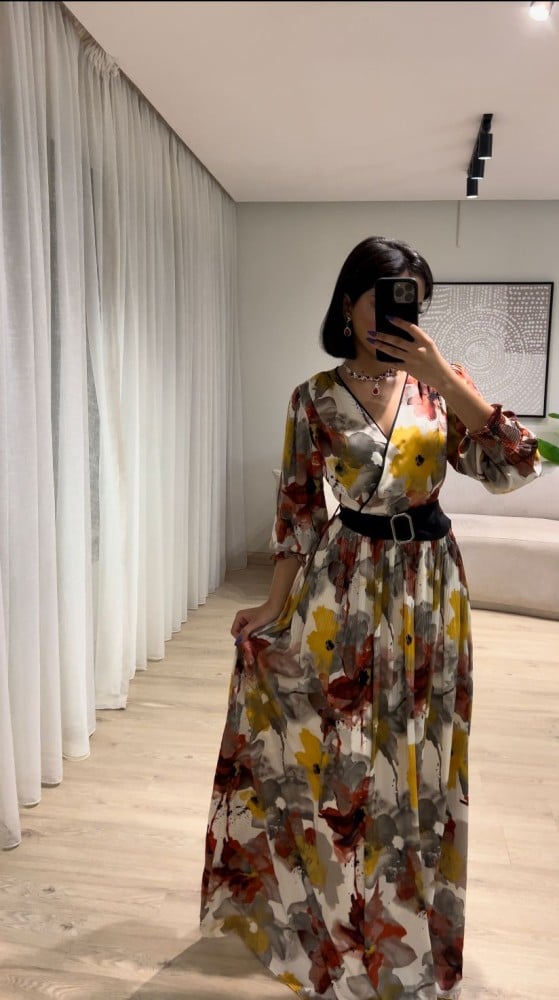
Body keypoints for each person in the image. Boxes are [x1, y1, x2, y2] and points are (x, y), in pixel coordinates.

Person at [200, 236, 540, 1000]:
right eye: (386, 295)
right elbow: (296, 509)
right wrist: (273, 605)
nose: (399, 312)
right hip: (344, 581)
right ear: (350, 302)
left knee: (416, 747)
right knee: (338, 747)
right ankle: (330, 912)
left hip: (428, 588)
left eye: (413, 299)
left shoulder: (440, 388)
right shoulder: (313, 397)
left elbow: (515, 466)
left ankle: (407, 911)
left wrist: (446, 381)